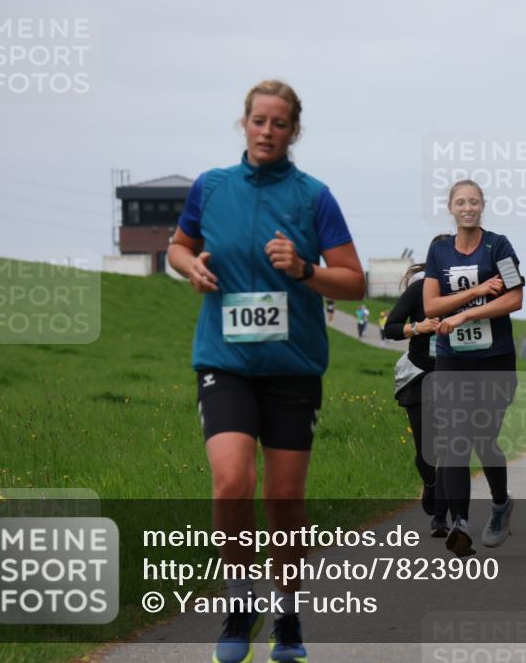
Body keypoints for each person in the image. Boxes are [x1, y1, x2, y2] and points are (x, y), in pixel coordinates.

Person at [167, 79, 366, 663]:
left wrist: (303, 268)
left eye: (280, 124)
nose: (267, 132)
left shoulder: (314, 196)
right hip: (223, 361)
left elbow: (353, 279)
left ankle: (288, 615)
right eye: (259, 121)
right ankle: (238, 604)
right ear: (244, 124)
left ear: (293, 131)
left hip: (292, 366)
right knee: (232, 482)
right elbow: (178, 247)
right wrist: (189, 268)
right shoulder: (212, 187)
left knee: (284, 500)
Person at [423, 179, 524, 557]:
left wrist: (466, 315)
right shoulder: (439, 251)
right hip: (452, 359)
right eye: (461, 202)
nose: (468, 207)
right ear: (450, 207)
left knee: (483, 438)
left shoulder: (499, 246)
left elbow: (514, 299)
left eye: (474, 202)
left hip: (495, 360)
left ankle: (500, 505)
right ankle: (461, 523)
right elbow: (432, 307)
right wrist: (473, 295)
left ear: (483, 207)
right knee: (455, 439)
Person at [383, 239, 451, 536]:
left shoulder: (468, 292)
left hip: (454, 376)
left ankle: (441, 517)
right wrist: (417, 328)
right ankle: (431, 483)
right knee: (427, 450)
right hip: (420, 374)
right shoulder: (418, 290)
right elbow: (390, 328)